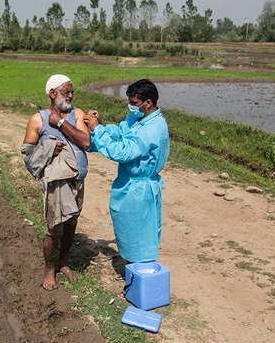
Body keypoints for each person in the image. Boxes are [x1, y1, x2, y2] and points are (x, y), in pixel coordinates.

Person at [83, 79, 170, 265]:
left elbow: (122, 151)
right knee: (130, 230)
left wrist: (97, 129)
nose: (130, 106)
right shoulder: (141, 120)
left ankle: (139, 275)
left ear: (147, 103)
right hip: (131, 184)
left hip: (138, 189)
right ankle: (133, 270)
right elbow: (123, 133)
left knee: (139, 234)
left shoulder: (152, 130)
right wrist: (102, 125)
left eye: (134, 103)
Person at [23, 74, 90, 290]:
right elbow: (27, 153)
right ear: (53, 94)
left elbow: (85, 142)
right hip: (56, 184)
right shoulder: (38, 119)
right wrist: (49, 149)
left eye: (72, 92)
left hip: (77, 180)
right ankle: (49, 270)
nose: (70, 95)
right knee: (54, 228)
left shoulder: (76, 114)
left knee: (71, 224)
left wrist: (60, 123)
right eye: (66, 92)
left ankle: (63, 263)